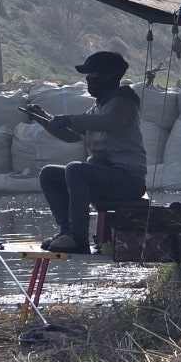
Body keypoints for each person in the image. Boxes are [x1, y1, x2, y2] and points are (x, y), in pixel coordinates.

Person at [21, 51, 147, 254]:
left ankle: (78, 237)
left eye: (92, 76)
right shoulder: (100, 106)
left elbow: (110, 123)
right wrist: (43, 118)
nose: (88, 81)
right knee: (49, 174)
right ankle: (66, 231)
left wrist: (69, 118)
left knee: (76, 169)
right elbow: (71, 136)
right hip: (105, 177)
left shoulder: (124, 102)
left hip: (128, 181)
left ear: (108, 76)